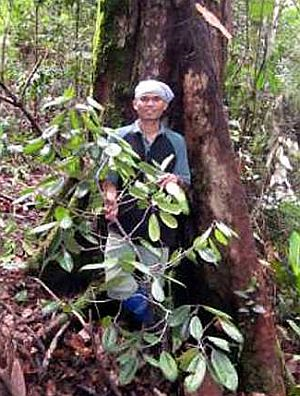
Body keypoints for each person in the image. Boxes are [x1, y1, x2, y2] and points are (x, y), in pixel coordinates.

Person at [101, 79, 191, 323]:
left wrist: (175, 179)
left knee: (153, 285)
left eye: (156, 99)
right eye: (144, 99)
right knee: (115, 281)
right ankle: (143, 313)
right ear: (135, 104)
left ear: (165, 106)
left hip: (159, 226)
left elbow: (185, 178)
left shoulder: (176, 141)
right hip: (123, 221)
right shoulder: (118, 138)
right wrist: (111, 200)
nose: (150, 104)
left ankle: (147, 334)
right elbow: (109, 178)